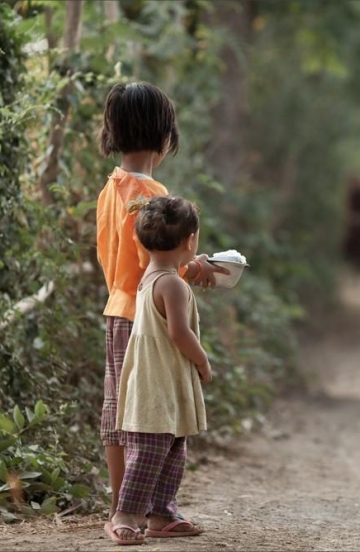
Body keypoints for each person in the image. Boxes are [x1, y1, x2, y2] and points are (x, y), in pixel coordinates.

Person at [96, 82, 227, 524]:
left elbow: (112, 257)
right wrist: (197, 268)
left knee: (119, 409)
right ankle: (143, 511)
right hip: (146, 319)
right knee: (153, 415)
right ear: (165, 135)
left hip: (117, 308)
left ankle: (124, 506)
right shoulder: (149, 193)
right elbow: (156, 265)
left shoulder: (111, 186)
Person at [105, 196, 210, 544]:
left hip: (158, 378)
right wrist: (202, 359)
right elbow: (179, 333)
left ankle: (162, 513)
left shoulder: (152, 274)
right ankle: (126, 513)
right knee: (150, 451)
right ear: (190, 240)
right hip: (157, 381)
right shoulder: (174, 284)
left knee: (172, 447)